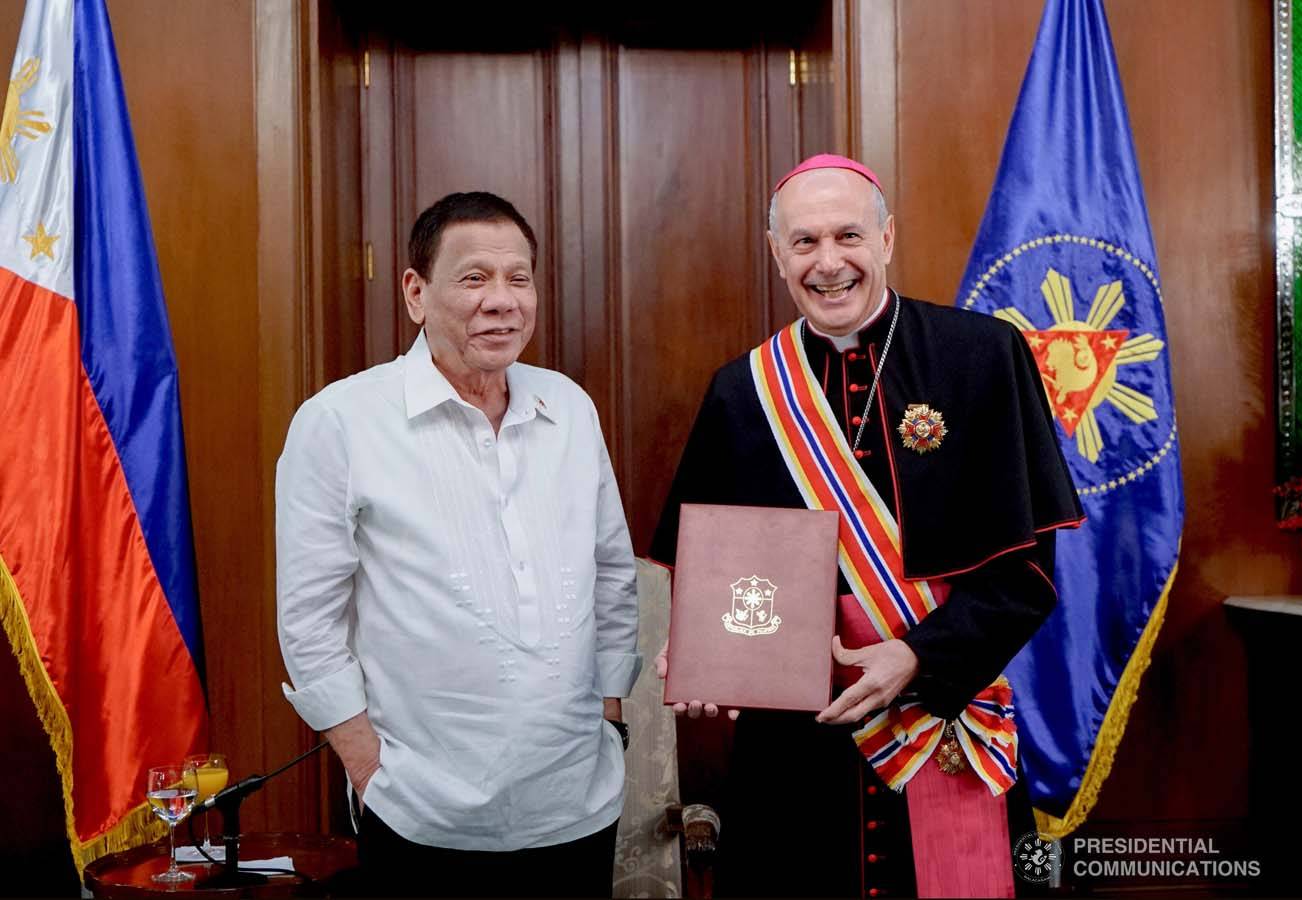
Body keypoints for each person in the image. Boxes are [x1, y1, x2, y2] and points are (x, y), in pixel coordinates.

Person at [650, 156, 1084, 897]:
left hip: (940, 712)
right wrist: (700, 652)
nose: (828, 262)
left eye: (848, 235)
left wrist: (916, 657)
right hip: (797, 746)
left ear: (886, 237)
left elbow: (1029, 572)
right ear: (776, 254)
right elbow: (713, 575)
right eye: (805, 241)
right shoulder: (741, 391)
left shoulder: (982, 358)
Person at [276, 191, 641, 897]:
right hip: (420, 813)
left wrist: (610, 717)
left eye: (518, 278)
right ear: (416, 292)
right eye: (474, 278)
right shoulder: (340, 421)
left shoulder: (567, 406)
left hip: (576, 806)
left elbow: (611, 573)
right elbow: (309, 620)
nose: (502, 300)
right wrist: (366, 766)